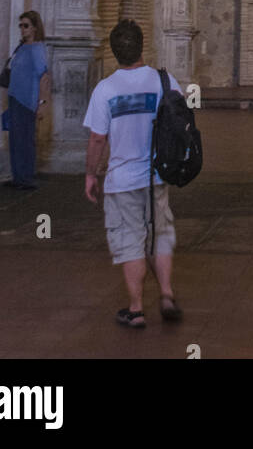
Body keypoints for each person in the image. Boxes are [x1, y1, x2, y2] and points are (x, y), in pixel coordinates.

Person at [83, 19, 183, 329]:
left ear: (114, 52)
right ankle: (166, 294)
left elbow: (98, 139)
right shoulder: (164, 82)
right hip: (157, 176)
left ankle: (136, 309)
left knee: (129, 241)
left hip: (122, 181)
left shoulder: (105, 89)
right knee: (160, 235)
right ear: (142, 46)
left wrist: (91, 174)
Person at [2, 10, 50, 191]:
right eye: (20, 25)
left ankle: (26, 178)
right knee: (15, 139)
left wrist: (42, 104)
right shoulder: (21, 47)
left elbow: (44, 77)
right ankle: (18, 176)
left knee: (25, 139)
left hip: (27, 100)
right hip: (15, 97)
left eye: (26, 26)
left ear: (35, 28)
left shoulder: (37, 49)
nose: (22, 29)